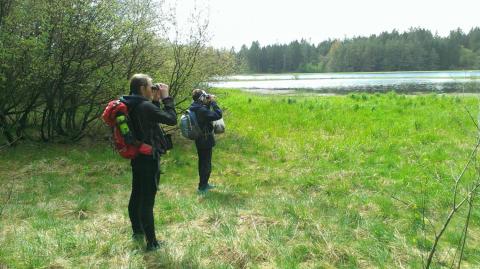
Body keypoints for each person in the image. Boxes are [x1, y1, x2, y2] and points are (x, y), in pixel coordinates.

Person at [121, 74, 177, 251]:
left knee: (136, 193)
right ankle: (152, 243)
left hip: (138, 155)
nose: (153, 89)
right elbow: (171, 119)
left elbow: (150, 121)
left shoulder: (131, 103)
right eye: (150, 86)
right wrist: (166, 97)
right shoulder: (144, 106)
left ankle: (137, 231)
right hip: (148, 157)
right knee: (147, 200)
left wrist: (154, 100)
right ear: (142, 88)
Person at [188, 89, 223, 193]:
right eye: (204, 96)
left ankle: (204, 183)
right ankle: (203, 186)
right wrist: (213, 102)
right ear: (201, 98)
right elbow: (218, 115)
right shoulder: (201, 110)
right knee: (206, 163)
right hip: (205, 139)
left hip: (200, 138)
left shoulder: (195, 107)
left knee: (203, 161)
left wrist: (207, 103)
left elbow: (206, 117)